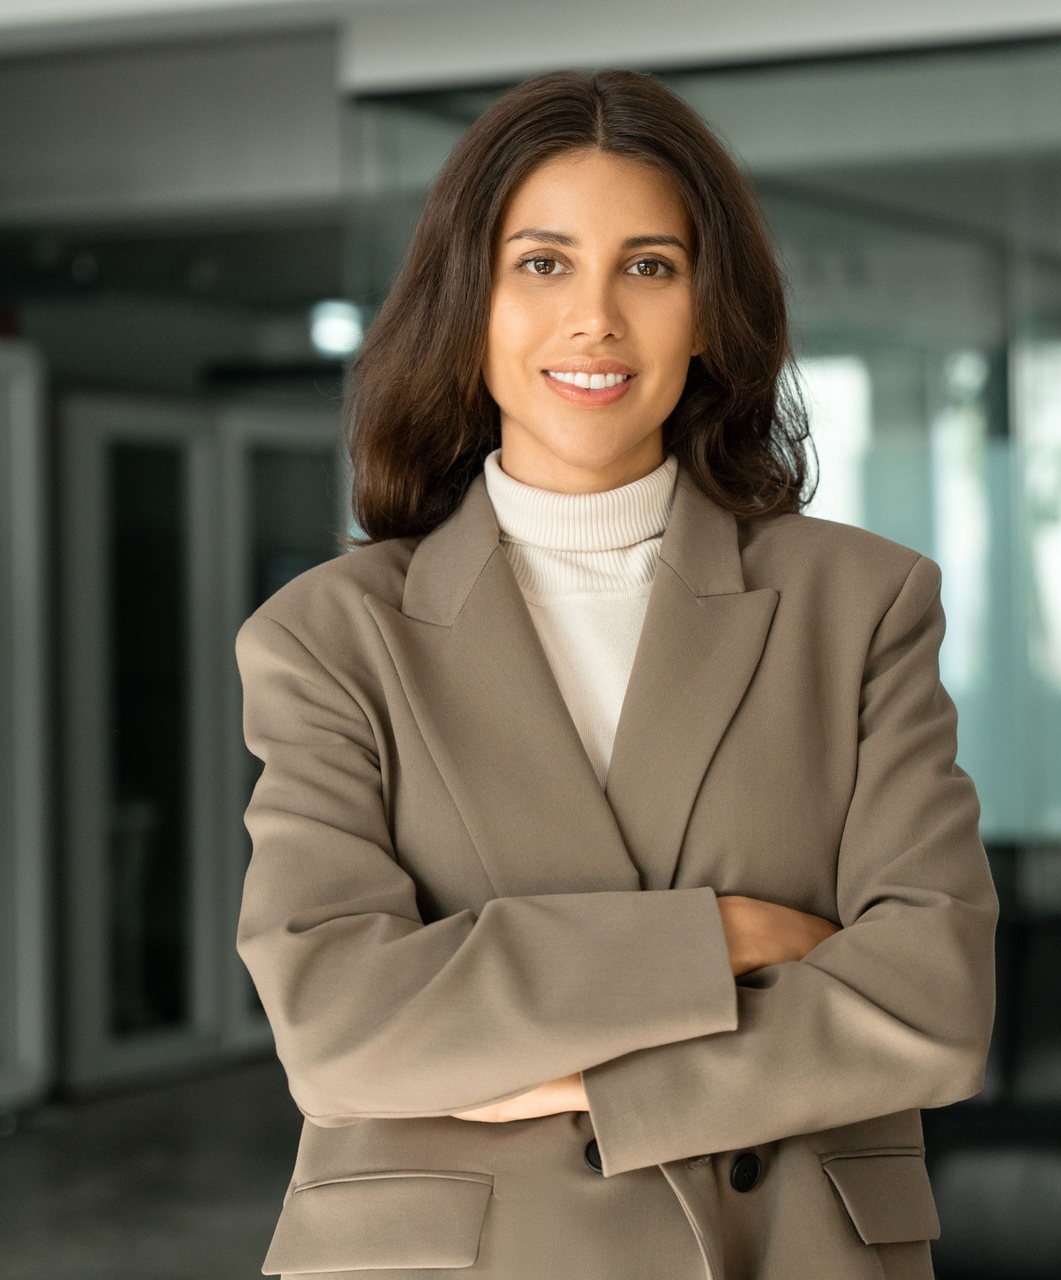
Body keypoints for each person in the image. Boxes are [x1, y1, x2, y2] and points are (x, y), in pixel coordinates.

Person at [234, 67, 997, 1280]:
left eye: (649, 265)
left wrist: (551, 1071)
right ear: (467, 302)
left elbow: (931, 1002)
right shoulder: (328, 637)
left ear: (707, 310)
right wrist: (720, 937)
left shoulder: (861, 603)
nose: (594, 318)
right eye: (542, 263)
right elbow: (338, 1024)